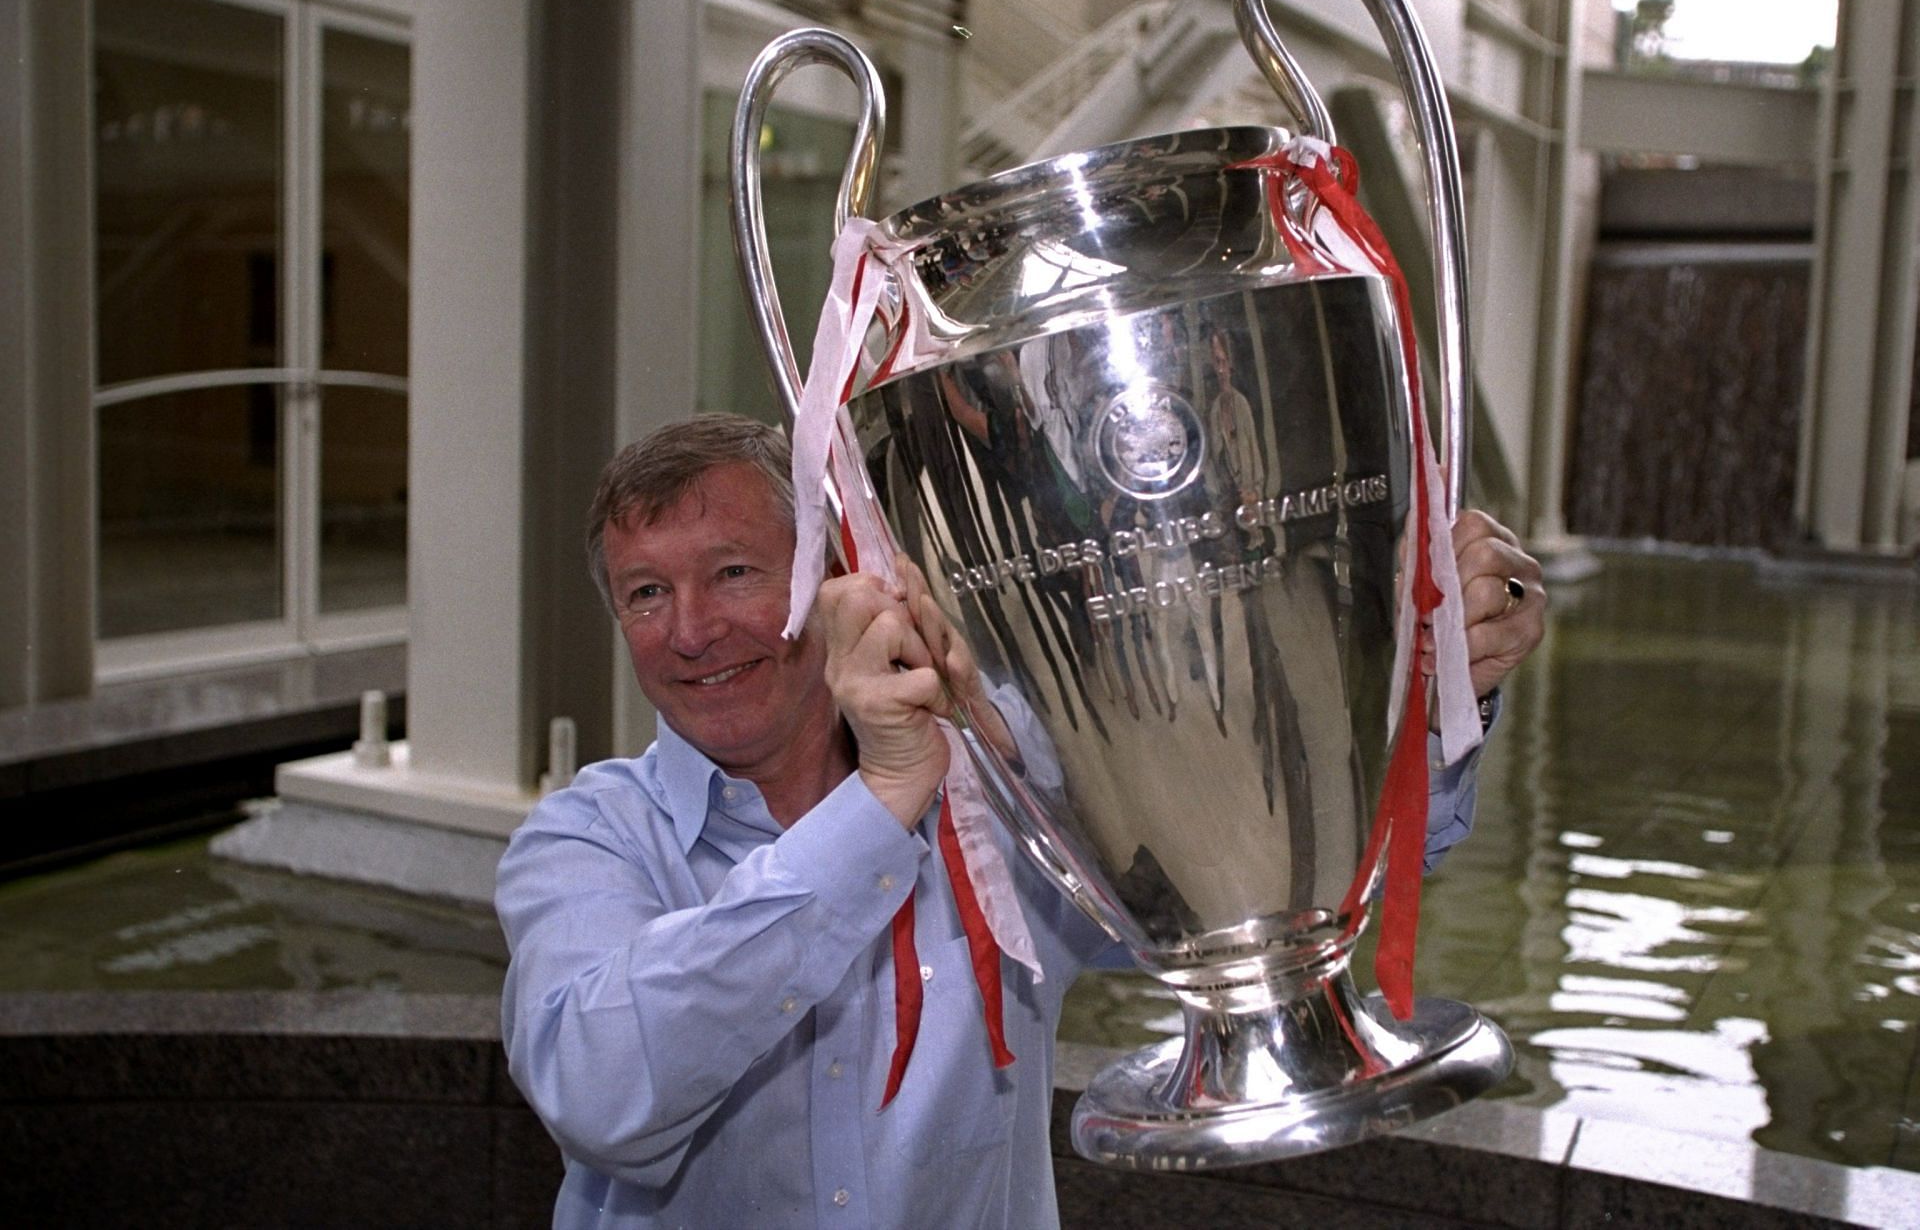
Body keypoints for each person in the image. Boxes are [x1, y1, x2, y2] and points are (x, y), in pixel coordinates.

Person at [496, 412, 1546, 1229]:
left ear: (836, 581)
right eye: (644, 595)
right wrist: (878, 806)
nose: (690, 632)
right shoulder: (584, 841)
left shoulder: (996, 792)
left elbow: (1284, 870)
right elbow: (603, 1094)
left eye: (733, 573)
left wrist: (1432, 686)